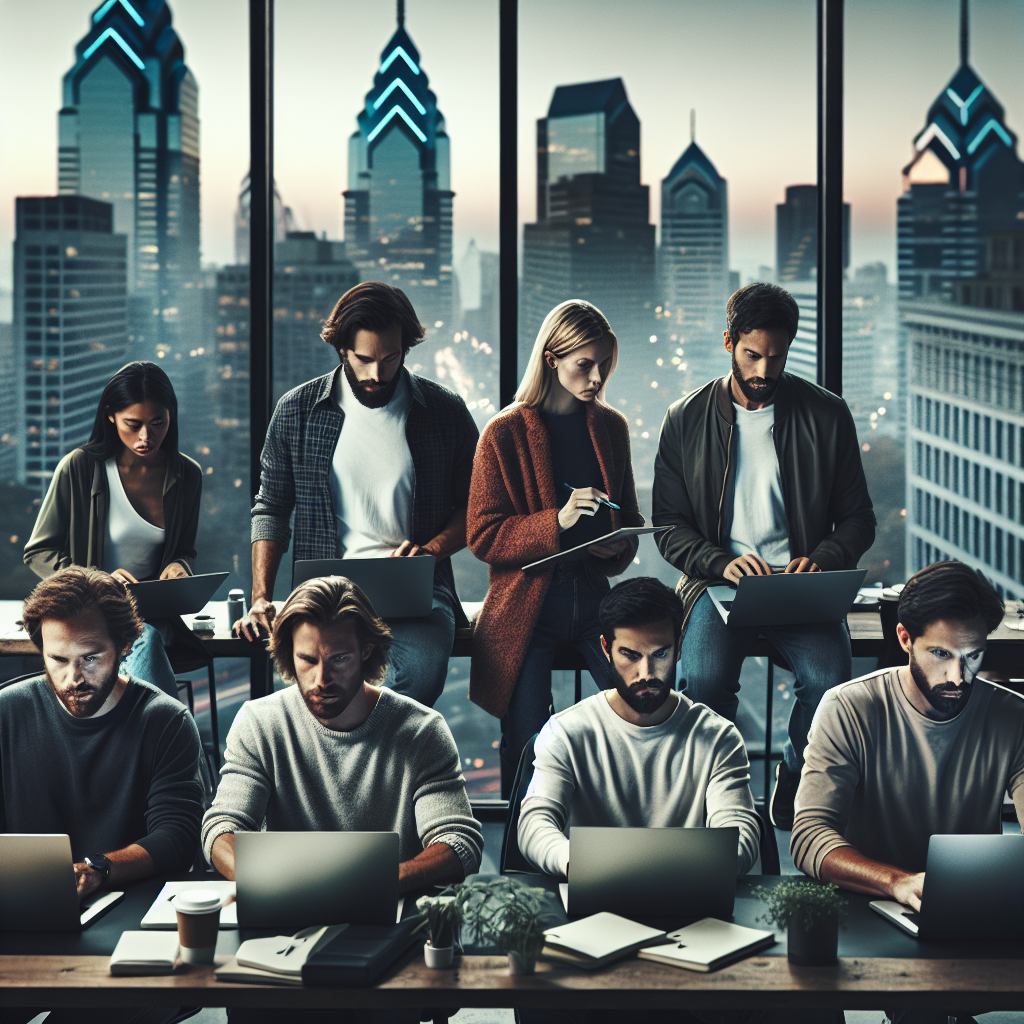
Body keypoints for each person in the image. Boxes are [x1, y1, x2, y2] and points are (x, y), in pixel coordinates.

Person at [652, 282, 875, 830]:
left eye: (777, 357)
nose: (764, 370)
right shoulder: (685, 418)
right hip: (718, 584)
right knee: (702, 683)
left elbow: (859, 519)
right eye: (752, 354)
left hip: (799, 583)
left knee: (828, 683)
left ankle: (796, 780)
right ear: (729, 341)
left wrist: (822, 558)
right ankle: (717, 796)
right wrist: (718, 562)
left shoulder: (826, 414)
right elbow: (668, 526)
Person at [791, 561, 1022, 1024]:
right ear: (904, 639)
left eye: (973, 655)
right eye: (940, 654)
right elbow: (809, 837)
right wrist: (898, 881)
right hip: (868, 904)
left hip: (966, 914)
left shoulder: (1013, 716)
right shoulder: (848, 707)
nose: (958, 675)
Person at [234, 281, 478, 708]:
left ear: (405, 349)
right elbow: (271, 509)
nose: (377, 375)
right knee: (321, 688)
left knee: (420, 675)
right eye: (364, 359)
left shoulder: (445, 411)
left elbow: (477, 506)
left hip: (415, 587)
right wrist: (260, 599)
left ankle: (363, 748)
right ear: (342, 349)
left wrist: (432, 551)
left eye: (390, 358)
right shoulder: (296, 411)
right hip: (325, 592)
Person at [204, 575, 483, 892]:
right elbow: (222, 828)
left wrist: (372, 885)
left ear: (366, 651)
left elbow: (458, 841)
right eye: (307, 659)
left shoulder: (422, 730)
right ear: (289, 653)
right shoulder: (259, 723)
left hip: (389, 907)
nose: (322, 679)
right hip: (286, 903)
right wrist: (271, 885)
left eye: (339, 659)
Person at [467, 300, 644, 796]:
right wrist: (558, 521)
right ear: (551, 359)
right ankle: (526, 835)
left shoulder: (611, 427)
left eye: (604, 364)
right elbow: (482, 535)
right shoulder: (503, 433)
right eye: (584, 364)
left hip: (594, 600)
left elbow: (629, 516)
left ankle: (625, 823)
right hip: (528, 606)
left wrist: (618, 544)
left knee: (639, 709)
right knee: (527, 739)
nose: (597, 378)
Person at [518, 577, 761, 879]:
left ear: (679, 646)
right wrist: (581, 864)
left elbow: (740, 835)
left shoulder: (718, 737)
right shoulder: (566, 733)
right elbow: (534, 826)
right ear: (606, 649)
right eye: (630, 655)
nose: (646, 673)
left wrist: (655, 871)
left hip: (686, 893)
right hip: (597, 888)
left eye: (660, 654)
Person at [0, 566, 203, 894]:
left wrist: (98, 870)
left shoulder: (166, 720)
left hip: (129, 901)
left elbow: (177, 837)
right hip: (23, 900)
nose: (73, 678)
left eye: (90, 658)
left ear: (125, 646)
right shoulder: (6, 713)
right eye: (58, 659)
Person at [23, 361, 204, 698]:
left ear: (171, 417)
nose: (146, 437)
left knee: (144, 635)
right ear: (110, 416)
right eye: (133, 425)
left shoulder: (187, 476)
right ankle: (169, 729)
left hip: (152, 613)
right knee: (141, 639)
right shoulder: (79, 468)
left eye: (158, 423)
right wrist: (96, 581)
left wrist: (180, 565)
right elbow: (38, 551)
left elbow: (183, 550)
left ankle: (147, 729)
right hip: (87, 612)